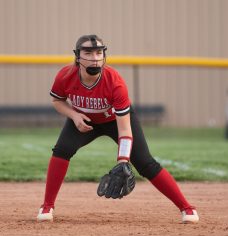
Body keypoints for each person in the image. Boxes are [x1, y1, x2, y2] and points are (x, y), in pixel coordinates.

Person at [37, 34, 199, 224]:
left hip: (115, 120)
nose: (95, 57)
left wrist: (123, 160)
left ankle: (187, 208)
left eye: (99, 52)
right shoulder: (65, 75)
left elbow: (124, 129)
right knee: (61, 151)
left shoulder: (115, 82)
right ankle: (47, 206)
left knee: (145, 163)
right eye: (88, 52)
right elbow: (57, 100)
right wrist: (74, 115)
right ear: (77, 56)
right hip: (84, 119)